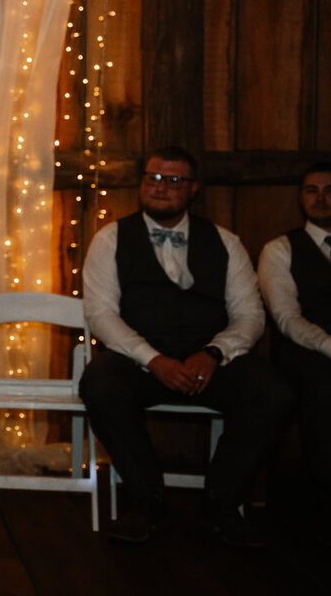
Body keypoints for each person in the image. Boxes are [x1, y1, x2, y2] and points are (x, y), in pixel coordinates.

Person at [78, 146, 293, 547]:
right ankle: (147, 500)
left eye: (173, 180)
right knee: (99, 383)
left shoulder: (226, 243)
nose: (160, 187)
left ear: (192, 190)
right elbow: (102, 315)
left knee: (273, 393)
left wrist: (213, 354)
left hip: (208, 360)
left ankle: (221, 502)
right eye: (153, 178)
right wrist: (153, 359)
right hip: (139, 361)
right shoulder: (110, 239)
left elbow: (250, 314)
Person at [257, 161, 331, 545]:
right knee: (323, 388)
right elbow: (286, 318)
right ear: (301, 198)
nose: (320, 198)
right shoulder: (280, 249)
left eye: (329, 190)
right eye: (311, 190)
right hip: (304, 352)